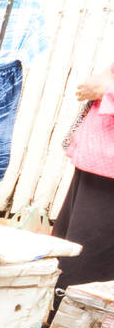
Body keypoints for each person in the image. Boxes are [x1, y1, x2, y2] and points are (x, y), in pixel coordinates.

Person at [53, 62, 114, 301]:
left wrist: (108, 88)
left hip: (107, 171)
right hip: (98, 156)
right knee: (71, 248)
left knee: (89, 263)